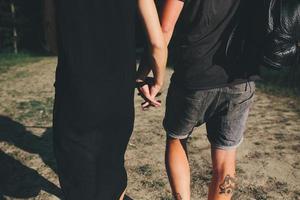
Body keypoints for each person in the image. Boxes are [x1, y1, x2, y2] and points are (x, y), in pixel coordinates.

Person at [53, 0, 166, 199]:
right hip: (117, 93)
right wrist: (153, 81)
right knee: (111, 168)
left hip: (73, 91)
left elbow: (50, 37)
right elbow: (157, 43)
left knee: (77, 176)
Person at [154, 0, 260, 199]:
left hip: (194, 74)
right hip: (240, 76)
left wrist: (152, 72)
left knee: (177, 138)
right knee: (226, 156)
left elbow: (165, 27)